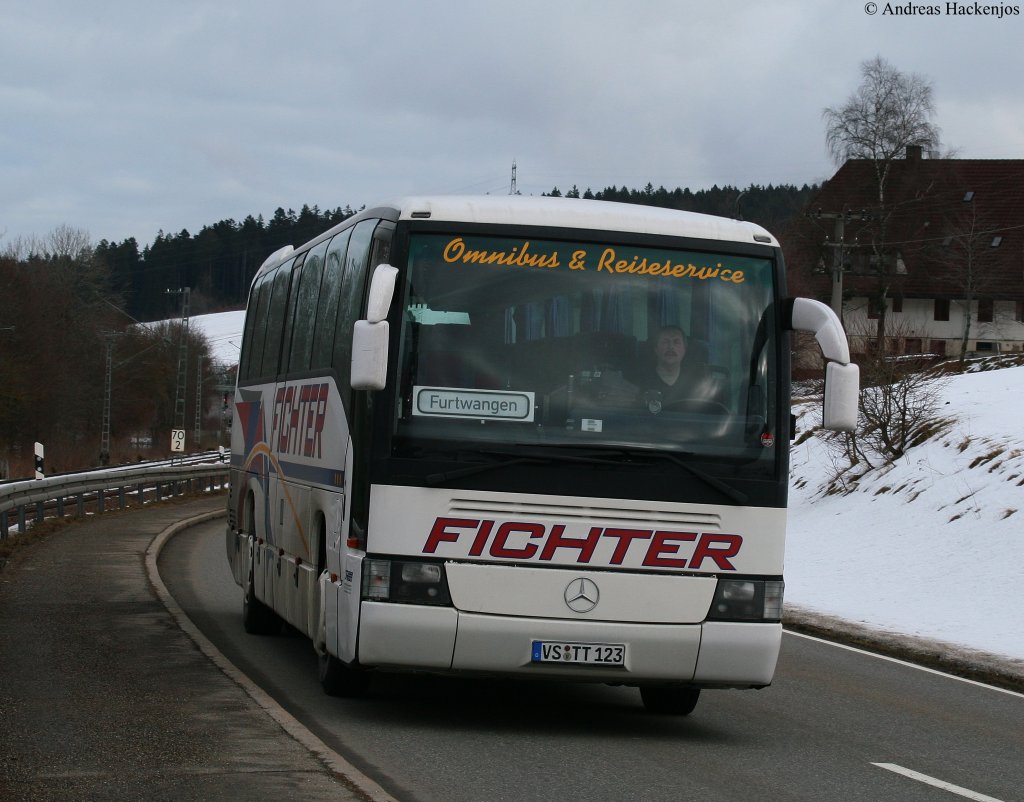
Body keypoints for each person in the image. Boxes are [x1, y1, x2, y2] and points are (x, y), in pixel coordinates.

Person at [631, 325, 712, 412]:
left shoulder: (698, 384)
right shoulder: (639, 382)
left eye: (676, 342)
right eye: (665, 342)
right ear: (656, 349)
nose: (671, 347)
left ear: (684, 350)